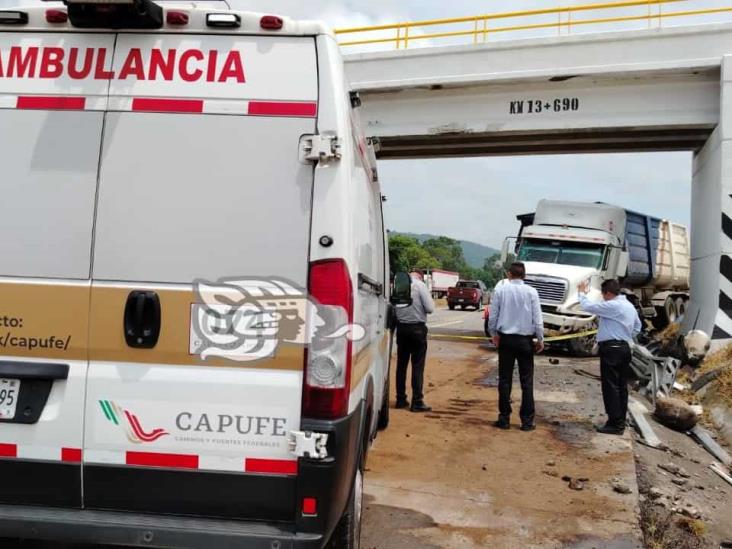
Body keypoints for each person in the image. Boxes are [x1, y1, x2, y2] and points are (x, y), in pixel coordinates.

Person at [578, 278, 641, 435]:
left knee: (610, 387)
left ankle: (614, 423)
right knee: (621, 386)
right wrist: (625, 336)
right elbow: (638, 327)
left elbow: (588, 306)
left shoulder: (613, 305)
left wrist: (581, 292)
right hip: (625, 348)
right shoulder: (629, 306)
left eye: (603, 295)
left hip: (612, 349)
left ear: (607, 293)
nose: (603, 298)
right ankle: (620, 420)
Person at [488, 262, 544, 431]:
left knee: (505, 380)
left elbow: (493, 316)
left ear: (509, 274)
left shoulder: (501, 291)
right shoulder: (532, 292)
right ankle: (527, 421)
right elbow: (537, 318)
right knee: (527, 381)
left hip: (506, 340)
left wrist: (494, 335)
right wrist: (540, 338)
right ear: (524, 275)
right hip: (525, 341)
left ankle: (504, 418)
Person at [395, 269, 435, 412]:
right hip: (417, 329)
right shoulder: (419, 285)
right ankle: (417, 401)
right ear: (420, 276)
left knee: (401, 365)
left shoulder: (398, 285)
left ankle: (400, 399)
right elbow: (430, 308)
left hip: (401, 329)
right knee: (417, 366)